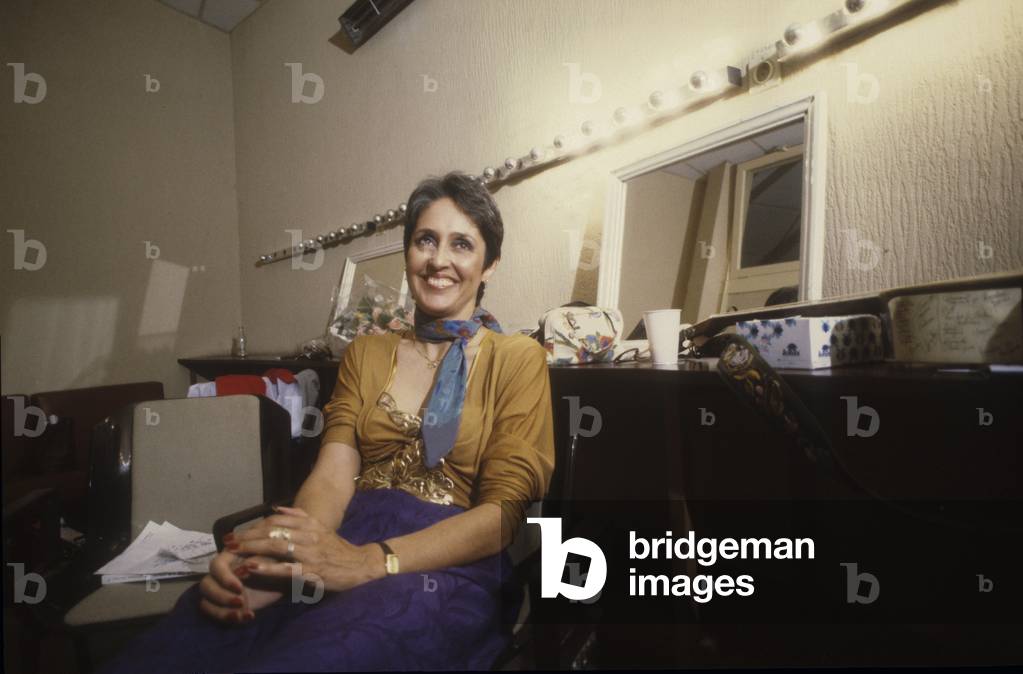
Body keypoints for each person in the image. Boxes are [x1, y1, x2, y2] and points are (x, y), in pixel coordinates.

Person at [101, 171, 555, 672]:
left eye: (462, 244)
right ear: (408, 252)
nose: (438, 260)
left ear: (490, 264)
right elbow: (333, 477)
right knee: (186, 643)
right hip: (345, 532)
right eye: (425, 239)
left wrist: (372, 562)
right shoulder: (367, 352)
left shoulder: (517, 358)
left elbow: (502, 517)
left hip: (443, 562)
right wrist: (282, 556)